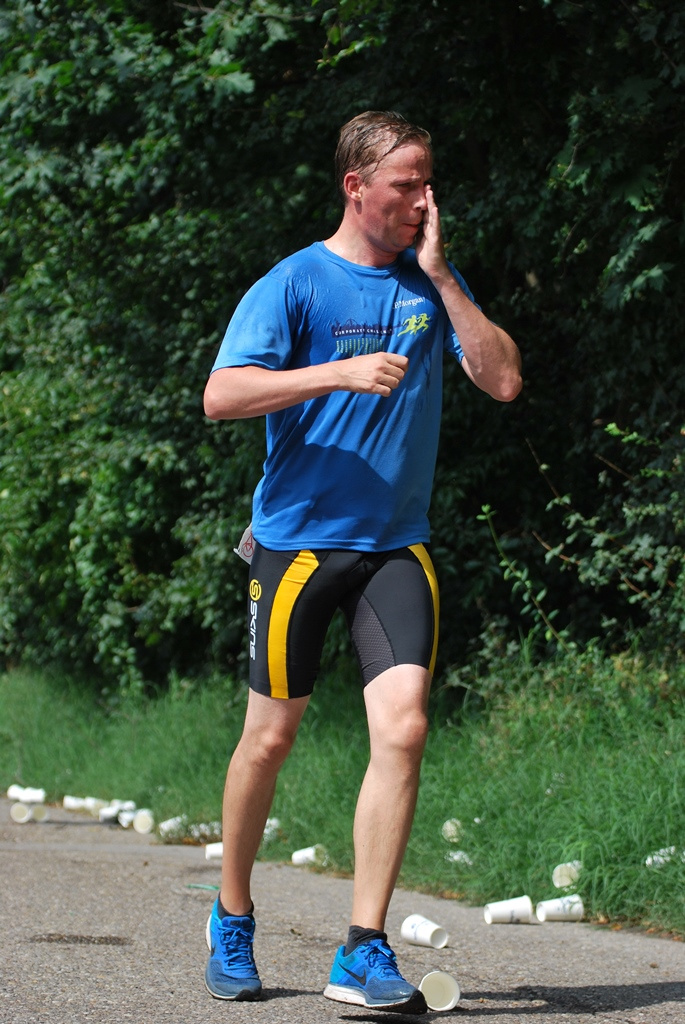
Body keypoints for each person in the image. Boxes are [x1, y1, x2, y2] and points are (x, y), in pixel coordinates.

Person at [202, 110, 522, 1013]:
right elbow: (220, 395)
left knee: (405, 728)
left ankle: (361, 948)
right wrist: (333, 373)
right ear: (356, 187)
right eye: (406, 185)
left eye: (427, 184)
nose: (423, 200)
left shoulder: (430, 282)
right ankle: (231, 916)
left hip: (395, 548)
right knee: (270, 737)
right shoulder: (295, 282)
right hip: (298, 547)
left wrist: (443, 276)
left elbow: (502, 380)